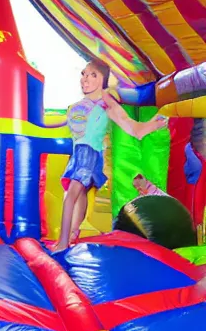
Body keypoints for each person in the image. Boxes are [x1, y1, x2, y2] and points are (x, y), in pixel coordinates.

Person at [53, 59, 167, 253]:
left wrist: (153, 125)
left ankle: (63, 241)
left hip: (89, 152)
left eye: (93, 75)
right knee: (80, 193)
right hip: (80, 152)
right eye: (84, 74)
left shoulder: (105, 102)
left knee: (71, 193)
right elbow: (64, 125)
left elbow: (132, 128)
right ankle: (72, 233)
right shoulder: (80, 104)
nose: (85, 79)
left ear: (103, 80)